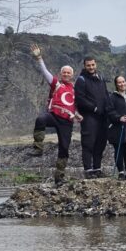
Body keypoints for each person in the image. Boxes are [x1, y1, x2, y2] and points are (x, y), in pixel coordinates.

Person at [28, 44, 82, 185]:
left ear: (72, 75)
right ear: (60, 74)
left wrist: (78, 114)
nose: (66, 74)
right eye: (63, 72)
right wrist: (39, 58)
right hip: (53, 115)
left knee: (64, 148)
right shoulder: (56, 84)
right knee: (40, 119)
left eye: (68, 73)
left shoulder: (76, 89)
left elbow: (75, 106)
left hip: (66, 121)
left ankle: (59, 177)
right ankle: (38, 148)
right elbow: (45, 72)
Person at [75, 56, 110, 178]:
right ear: (84, 66)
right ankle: (88, 170)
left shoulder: (101, 78)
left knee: (100, 143)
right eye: (88, 65)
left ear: (96, 65)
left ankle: (97, 169)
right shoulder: (81, 80)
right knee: (88, 143)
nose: (91, 67)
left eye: (92, 65)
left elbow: (106, 95)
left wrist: (108, 109)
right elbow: (80, 98)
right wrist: (94, 108)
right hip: (89, 116)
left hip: (103, 116)